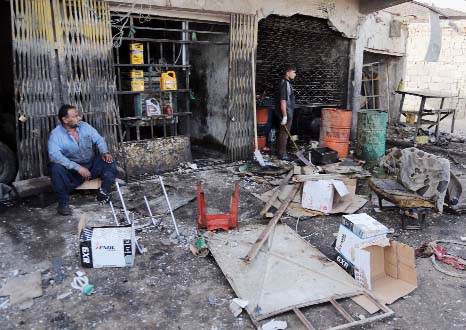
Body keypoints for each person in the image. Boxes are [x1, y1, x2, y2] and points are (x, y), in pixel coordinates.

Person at [48, 104, 117, 216]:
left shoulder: (85, 126)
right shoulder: (56, 135)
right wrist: (77, 167)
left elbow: (99, 140)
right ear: (65, 120)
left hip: (90, 165)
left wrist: (104, 152)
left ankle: (103, 192)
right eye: (75, 116)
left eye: (78, 115)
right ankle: (63, 203)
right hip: (73, 171)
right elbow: (54, 156)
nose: (79, 118)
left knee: (109, 161)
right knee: (55, 168)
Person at [276, 65, 297, 160]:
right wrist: (285, 116)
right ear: (288, 73)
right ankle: (282, 155)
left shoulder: (285, 83)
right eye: (294, 72)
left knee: (283, 133)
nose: (295, 75)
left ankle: (282, 153)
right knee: (284, 134)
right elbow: (283, 101)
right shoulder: (285, 84)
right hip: (286, 113)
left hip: (288, 112)